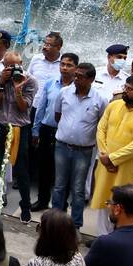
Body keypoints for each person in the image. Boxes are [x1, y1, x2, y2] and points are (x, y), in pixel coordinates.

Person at [89, 74, 133, 231]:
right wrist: (104, 155)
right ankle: (102, 237)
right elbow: (101, 129)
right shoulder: (114, 105)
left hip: (127, 168)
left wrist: (113, 158)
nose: (125, 91)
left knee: (122, 205)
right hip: (105, 165)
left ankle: (117, 240)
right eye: (125, 87)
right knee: (103, 200)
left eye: (130, 89)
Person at [51, 61, 107, 230]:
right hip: (62, 146)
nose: (76, 79)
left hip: (83, 150)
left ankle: (75, 226)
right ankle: (55, 222)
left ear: (91, 79)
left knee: (78, 188)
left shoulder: (100, 99)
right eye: (76, 75)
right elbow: (57, 115)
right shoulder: (64, 93)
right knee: (59, 185)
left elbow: (102, 125)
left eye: (81, 77)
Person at [0, 51, 39, 221]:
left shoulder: (30, 80)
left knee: (21, 168)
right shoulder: (0, 76)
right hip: (1, 123)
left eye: (15, 65)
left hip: (20, 128)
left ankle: (25, 206)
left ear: (22, 63)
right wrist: (2, 83)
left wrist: (19, 89)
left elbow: (24, 107)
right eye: (8, 66)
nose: (12, 69)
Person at [30, 52, 78, 214]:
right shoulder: (51, 83)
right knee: (44, 167)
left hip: (65, 133)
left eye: (69, 65)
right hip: (47, 130)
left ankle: (60, 206)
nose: (64, 68)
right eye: (62, 64)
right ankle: (42, 200)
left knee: (63, 172)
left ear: (76, 68)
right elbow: (41, 107)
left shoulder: (77, 88)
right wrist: (35, 130)